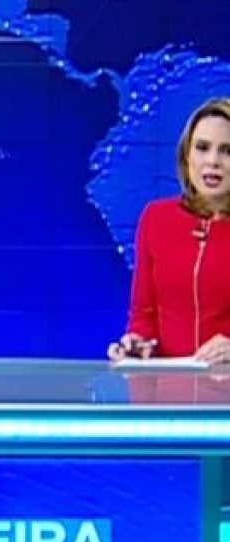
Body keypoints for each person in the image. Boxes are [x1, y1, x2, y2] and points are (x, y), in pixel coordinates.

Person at [108, 97, 230, 365]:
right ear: (187, 156)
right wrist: (137, 344)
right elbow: (143, 317)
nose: (213, 161)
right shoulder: (157, 220)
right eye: (202, 148)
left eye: (227, 151)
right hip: (169, 386)